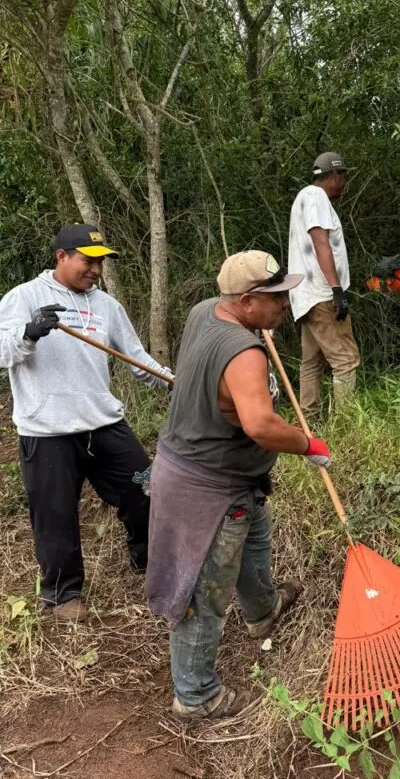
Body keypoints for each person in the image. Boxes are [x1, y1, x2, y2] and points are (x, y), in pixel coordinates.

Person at [146, 251, 332, 720]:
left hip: (218, 473)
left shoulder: (204, 312)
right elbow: (261, 425)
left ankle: (263, 610)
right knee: (204, 589)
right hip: (207, 486)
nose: (285, 306)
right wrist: (308, 444)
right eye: (277, 299)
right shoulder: (244, 351)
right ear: (247, 301)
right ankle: (196, 695)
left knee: (253, 543)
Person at [0, 224, 173, 623]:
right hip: (47, 431)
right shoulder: (25, 297)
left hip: (103, 423)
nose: (96, 270)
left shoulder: (107, 306)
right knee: (55, 515)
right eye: (88, 261)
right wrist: (29, 333)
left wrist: (173, 383)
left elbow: (136, 357)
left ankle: (149, 560)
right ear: (61, 256)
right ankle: (64, 596)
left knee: (146, 488)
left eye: (100, 262)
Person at [288, 152, 361, 416]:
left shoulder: (303, 198)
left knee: (311, 362)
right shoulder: (316, 197)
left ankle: (309, 422)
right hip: (321, 293)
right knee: (346, 360)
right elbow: (321, 242)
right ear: (333, 175)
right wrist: (336, 290)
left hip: (305, 296)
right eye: (343, 176)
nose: (344, 182)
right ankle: (346, 423)